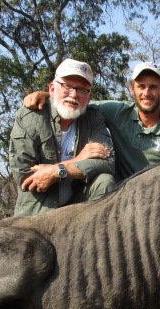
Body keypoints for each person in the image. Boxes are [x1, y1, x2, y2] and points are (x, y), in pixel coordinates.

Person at [23, 62, 160, 180]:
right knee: (104, 181)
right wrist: (48, 95)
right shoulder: (116, 111)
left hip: (159, 197)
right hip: (120, 197)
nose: (146, 93)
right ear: (132, 88)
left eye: (153, 87)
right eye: (141, 86)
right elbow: (79, 102)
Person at [9, 58, 115, 216]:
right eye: (67, 86)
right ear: (52, 89)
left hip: (78, 205)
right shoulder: (30, 116)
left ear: (89, 96)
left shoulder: (94, 118)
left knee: (104, 181)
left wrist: (56, 171)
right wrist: (78, 159)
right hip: (39, 212)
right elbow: (23, 173)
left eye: (82, 89)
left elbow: (108, 162)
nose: (73, 94)